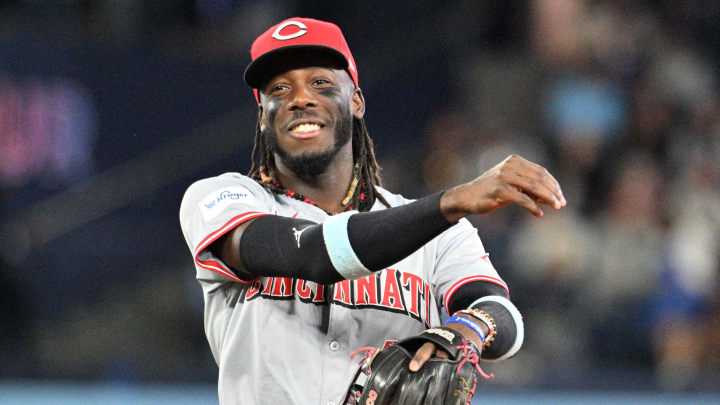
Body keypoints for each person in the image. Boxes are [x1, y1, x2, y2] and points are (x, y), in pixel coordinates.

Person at [179, 17, 566, 405]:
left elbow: (503, 316)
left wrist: (469, 327)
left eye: (321, 83)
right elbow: (314, 254)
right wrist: (452, 200)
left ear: (356, 101)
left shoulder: (440, 231)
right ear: (263, 115)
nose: (299, 99)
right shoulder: (222, 199)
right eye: (279, 89)